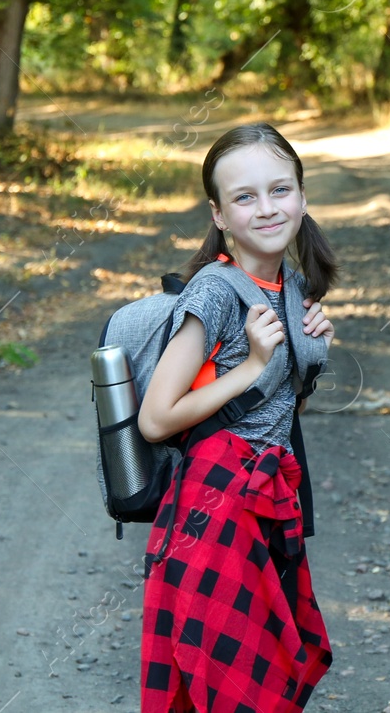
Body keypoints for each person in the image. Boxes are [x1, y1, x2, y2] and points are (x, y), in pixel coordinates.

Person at [137, 122, 338, 713]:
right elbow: (157, 419)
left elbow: (277, 412)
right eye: (245, 197)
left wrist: (308, 357)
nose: (267, 208)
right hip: (215, 506)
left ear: (301, 196)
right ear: (220, 215)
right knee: (233, 690)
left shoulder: (290, 284)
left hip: (268, 498)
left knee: (270, 676)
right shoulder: (215, 293)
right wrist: (252, 365)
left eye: (280, 190)